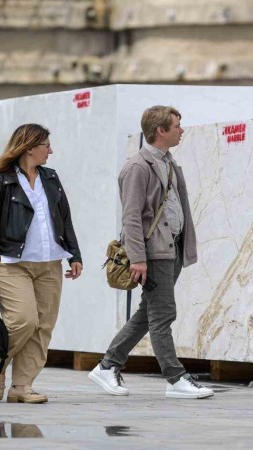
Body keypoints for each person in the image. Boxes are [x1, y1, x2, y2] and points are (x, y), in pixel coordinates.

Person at [89, 106, 213, 399]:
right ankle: (175, 378)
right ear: (161, 130)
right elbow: (131, 217)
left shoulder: (168, 162)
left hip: (171, 250)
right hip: (153, 253)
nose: (181, 130)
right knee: (163, 315)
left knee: (149, 313)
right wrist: (138, 258)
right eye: (177, 126)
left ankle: (108, 365)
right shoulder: (138, 167)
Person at [0, 123, 83, 404]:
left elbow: (65, 218)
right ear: (30, 147)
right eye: (46, 145)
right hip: (11, 262)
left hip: (50, 262)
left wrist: (74, 254)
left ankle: (22, 386)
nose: (51, 151)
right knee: (23, 321)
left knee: (43, 326)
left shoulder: (51, 177)